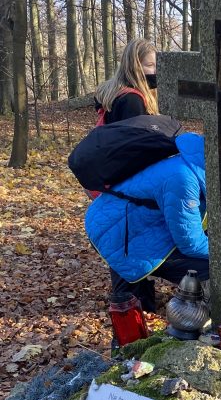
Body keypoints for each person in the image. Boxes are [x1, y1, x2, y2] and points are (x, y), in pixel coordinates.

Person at [85, 132, 208, 317]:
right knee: (211, 267)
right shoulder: (184, 179)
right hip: (115, 232)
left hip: (123, 224)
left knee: (135, 298)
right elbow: (190, 242)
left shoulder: (190, 163)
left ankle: (135, 315)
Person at [95, 39, 159, 124]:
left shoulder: (117, 92)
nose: (156, 70)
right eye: (150, 65)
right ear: (134, 67)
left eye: (157, 65)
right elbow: (137, 136)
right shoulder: (132, 100)